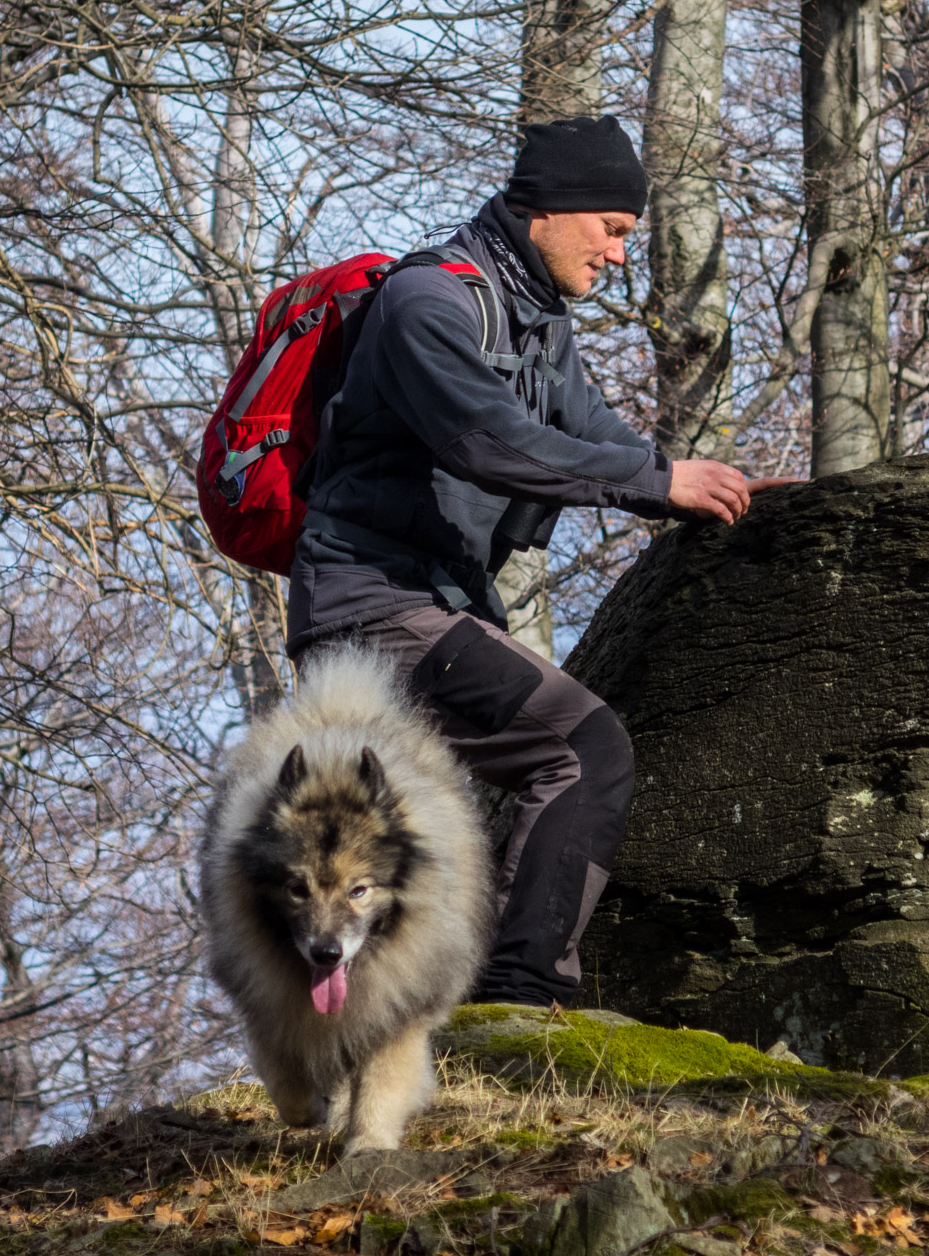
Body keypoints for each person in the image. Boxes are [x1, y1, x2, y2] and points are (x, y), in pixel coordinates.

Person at [288, 114, 787, 1008]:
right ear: (548, 212)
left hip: (431, 603)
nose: (620, 255)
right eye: (614, 230)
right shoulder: (429, 306)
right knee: (581, 749)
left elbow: (593, 436)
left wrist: (712, 487)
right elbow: (492, 443)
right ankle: (523, 997)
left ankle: (398, 1033)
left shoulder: (536, 323)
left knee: (399, 845)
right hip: (373, 607)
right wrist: (659, 480)